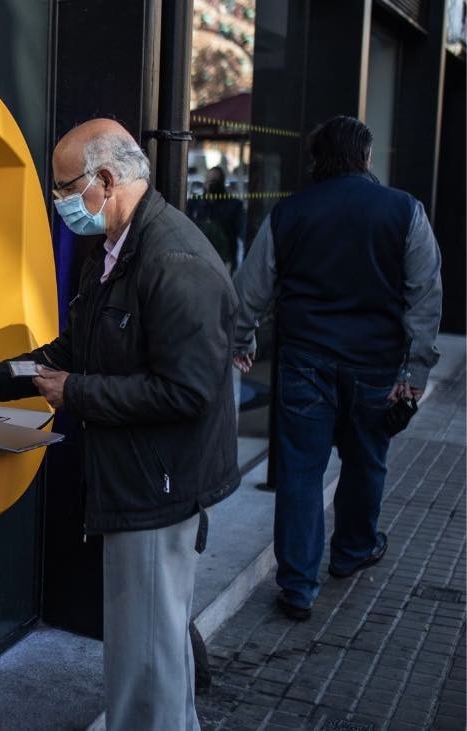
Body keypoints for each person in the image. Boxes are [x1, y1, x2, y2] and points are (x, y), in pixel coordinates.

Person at [0, 118, 239, 730]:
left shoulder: (172, 259)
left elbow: (187, 391)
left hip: (155, 489)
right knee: (151, 656)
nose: (59, 204)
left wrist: (78, 393)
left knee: (147, 668)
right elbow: (69, 350)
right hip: (133, 481)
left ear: (106, 179)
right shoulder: (113, 250)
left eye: (64, 187)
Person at [232, 115, 442, 622]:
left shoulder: (290, 213)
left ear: (316, 159)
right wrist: (413, 375)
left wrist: (242, 338)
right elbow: (425, 298)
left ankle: (298, 586)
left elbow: (249, 291)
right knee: (367, 460)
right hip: (376, 365)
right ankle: (351, 552)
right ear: (365, 157)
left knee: (301, 473)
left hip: (306, 363)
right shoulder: (404, 211)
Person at [187, 166, 245, 269]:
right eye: (208, 180)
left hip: (223, 259)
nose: (210, 184)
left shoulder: (233, 206)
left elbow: (240, 233)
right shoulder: (195, 203)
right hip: (198, 258)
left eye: (214, 181)